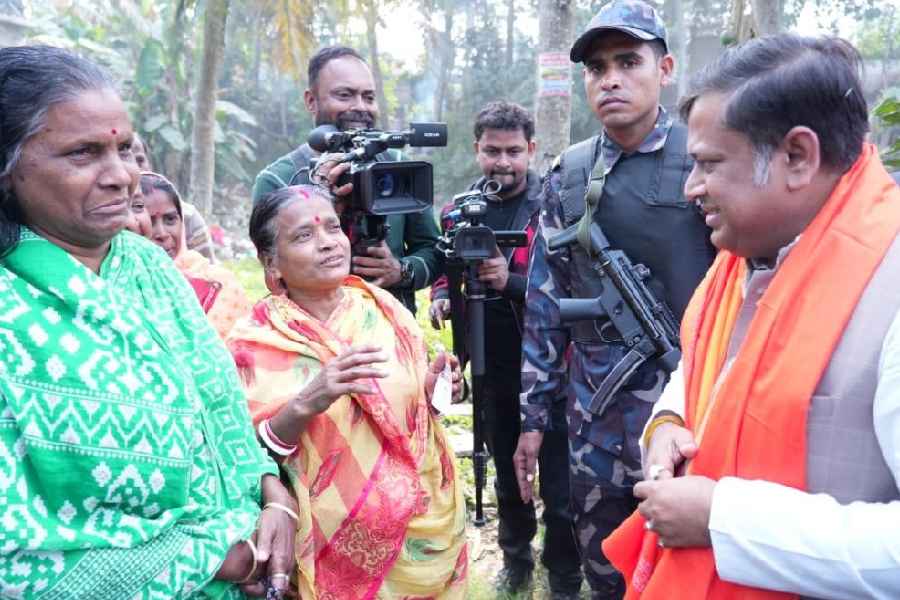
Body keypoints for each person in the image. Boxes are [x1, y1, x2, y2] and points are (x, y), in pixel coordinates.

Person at [602, 34, 900, 600]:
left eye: (710, 164)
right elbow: (703, 378)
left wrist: (724, 521)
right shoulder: (747, 263)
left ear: (797, 156)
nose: (692, 189)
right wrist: (666, 425)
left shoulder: (890, 287)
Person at [0, 45, 298, 598]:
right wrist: (220, 559)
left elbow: (219, 407)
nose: (123, 177)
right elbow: (12, 559)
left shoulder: (146, 265)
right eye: (83, 153)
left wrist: (272, 497)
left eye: (125, 149)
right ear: (9, 169)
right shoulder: (10, 307)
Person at [513, 1, 717, 597]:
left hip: (692, 411)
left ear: (667, 68)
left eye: (629, 61)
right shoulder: (568, 173)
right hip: (594, 419)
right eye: (597, 67)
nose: (611, 79)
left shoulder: (704, 160)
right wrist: (533, 417)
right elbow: (547, 304)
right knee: (605, 563)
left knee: (691, 566)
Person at [228, 184, 468, 599]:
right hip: (322, 545)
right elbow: (241, 458)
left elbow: (409, 420)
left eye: (333, 228)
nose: (327, 244)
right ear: (271, 262)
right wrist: (307, 401)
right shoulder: (252, 347)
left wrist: (432, 393)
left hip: (417, 535)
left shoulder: (386, 310)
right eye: (304, 235)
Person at [429, 101, 582, 598]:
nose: (503, 162)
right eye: (492, 151)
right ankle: (516, 561)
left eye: (514, 151)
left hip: (550, 364)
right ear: (476, 150)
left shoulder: (553, 204)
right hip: (490, 361)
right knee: (504, 471)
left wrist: (511, 281)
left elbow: (571, 285)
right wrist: (439, 297)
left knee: (559, 482)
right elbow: (445, 266)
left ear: (532, 149)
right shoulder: (459, 209)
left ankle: (564, 573)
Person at [251, 46, 441, 313]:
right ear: (311, 101)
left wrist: (401, 271)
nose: (360, 107)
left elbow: (432, 249)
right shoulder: (278, 179)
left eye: (369, 97)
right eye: (344, 95)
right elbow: (273, 274)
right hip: (315, 337)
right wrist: (319, 199)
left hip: (393, 336)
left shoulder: (398, 166)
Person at [139, 171, 251, 339]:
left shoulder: (218, 284)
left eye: (170, 220)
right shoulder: (111, 287)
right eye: (149, 222)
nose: (162, 233)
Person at [133, 132, 217, 261]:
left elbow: (209, 273)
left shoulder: (188, 216)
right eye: (149, 222)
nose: (162, 234)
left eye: (138, 160)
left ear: (149, 163)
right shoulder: (100, 226)